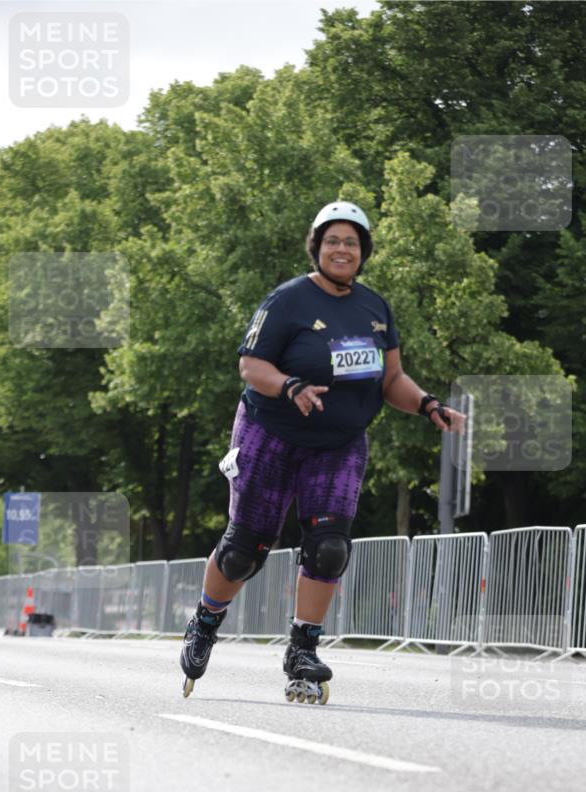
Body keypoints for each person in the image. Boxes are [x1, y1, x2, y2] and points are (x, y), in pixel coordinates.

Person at [179, 201, 465, 699]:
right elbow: (251, 367)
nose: (341, 249)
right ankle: (206, 621)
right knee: (245, 550)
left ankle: (302, 647)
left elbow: (391, 378)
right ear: (316, 247)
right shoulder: (287, 300)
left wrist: (426, 404)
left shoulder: (375, 308)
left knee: (330, 547)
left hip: (338, 443)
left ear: (363, 252)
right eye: (332, 240)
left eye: (351, 242)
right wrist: (291, 386)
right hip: (270, 433)